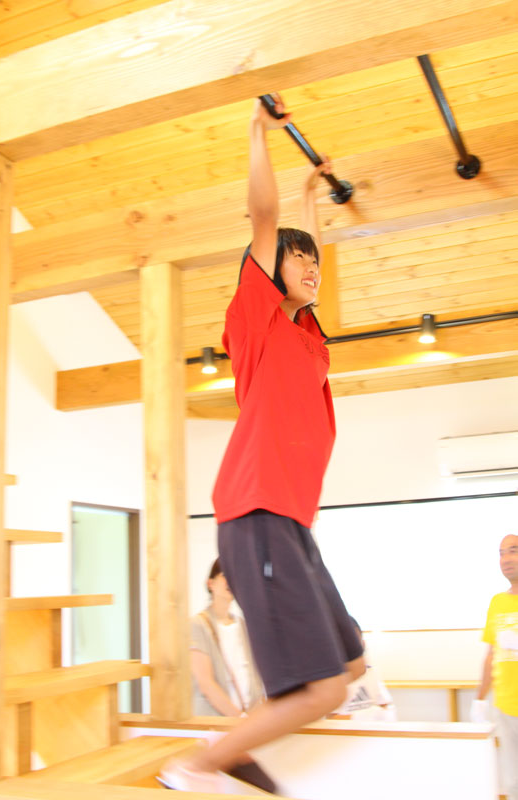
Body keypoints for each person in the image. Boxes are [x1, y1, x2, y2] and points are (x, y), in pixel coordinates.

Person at [161, 93, 365, 793]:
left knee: (352, 664)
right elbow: (265, 220)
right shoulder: (255, 321)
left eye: (314, 263)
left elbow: (300, 248)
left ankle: (243, 743)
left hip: (290, 521)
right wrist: (261, 135)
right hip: (255, 510)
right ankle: (195, 764)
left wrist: (313, 198)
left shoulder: (309, 337)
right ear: (267, 273)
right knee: (323, 691)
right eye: (297, 263)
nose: (310, 269)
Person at [472, 534, 518, 800]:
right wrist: (479, 700)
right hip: (505, 707)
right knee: (511, 782)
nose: (506, 559)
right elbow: (491, 655)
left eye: (513, 550)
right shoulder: (497, 602)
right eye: (501, 553)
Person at [190, 557, 264, 716]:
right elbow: (205, 683)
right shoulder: (197, 625)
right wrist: (239, 719)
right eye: (225, 575)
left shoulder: (243, 625)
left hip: (248, 718)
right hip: (217, 722)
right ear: (211, 584)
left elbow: (253, 676)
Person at [329, 618, 396, 722]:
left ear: (363, 643)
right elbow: (331, 720)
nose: (349, 647)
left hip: (372, 733)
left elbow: (386, 707)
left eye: (354, 642)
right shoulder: (329, 678)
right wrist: (372, 714)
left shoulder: (370, 671)